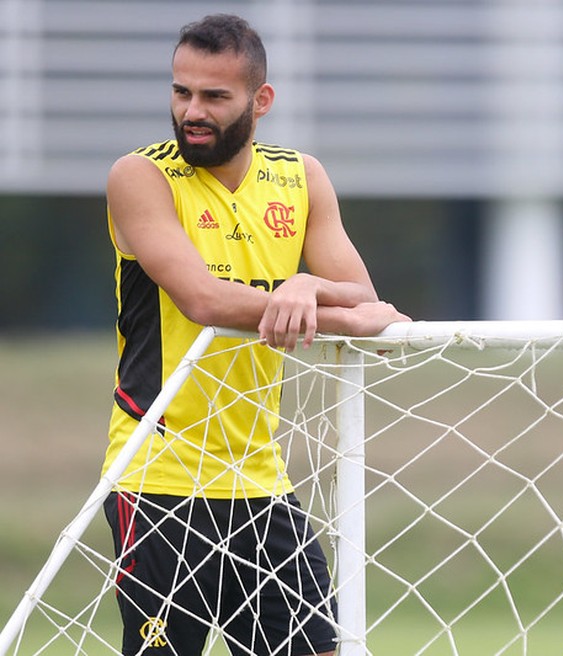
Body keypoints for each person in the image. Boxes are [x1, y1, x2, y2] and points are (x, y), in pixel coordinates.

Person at [99, 13, 409, 656]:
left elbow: (363, 295)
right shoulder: (140, 177)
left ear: (260, 101)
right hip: (159, 477)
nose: (192, 111)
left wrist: (308, 287)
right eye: (182, 92)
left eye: (215, 96)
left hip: (259, 479)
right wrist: (334, 312)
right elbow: (203, 300)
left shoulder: (301, 178)